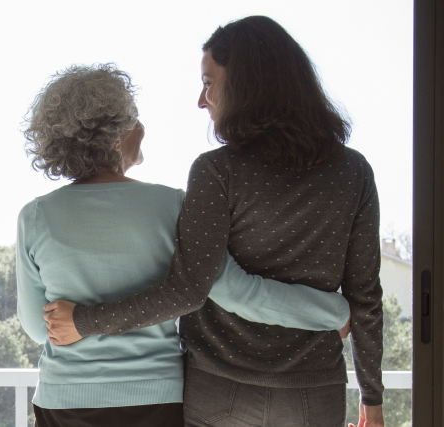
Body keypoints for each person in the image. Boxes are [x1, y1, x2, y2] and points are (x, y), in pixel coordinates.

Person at [42, 17, 387, 427]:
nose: (202, 100)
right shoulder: (353, 172)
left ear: (247, 84)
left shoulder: (217, 170)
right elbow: (365, 298)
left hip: (220, 388)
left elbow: (188, 289)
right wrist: (373, 400)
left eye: (209, 82)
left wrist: (84, 321)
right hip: (314, 391)